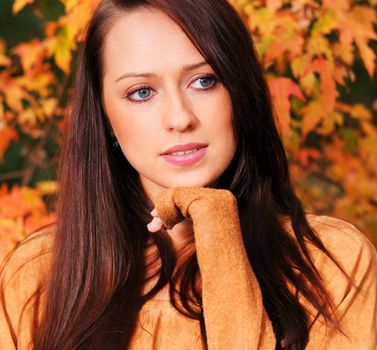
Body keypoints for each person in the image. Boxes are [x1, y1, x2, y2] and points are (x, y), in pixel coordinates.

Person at [0, 0, 376, 349]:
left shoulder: (332, 262)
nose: (180, 118)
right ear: (105, 119)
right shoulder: (37, 273)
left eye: (204, 81)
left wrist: (216, 225)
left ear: (240, 90)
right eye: (142, 92)